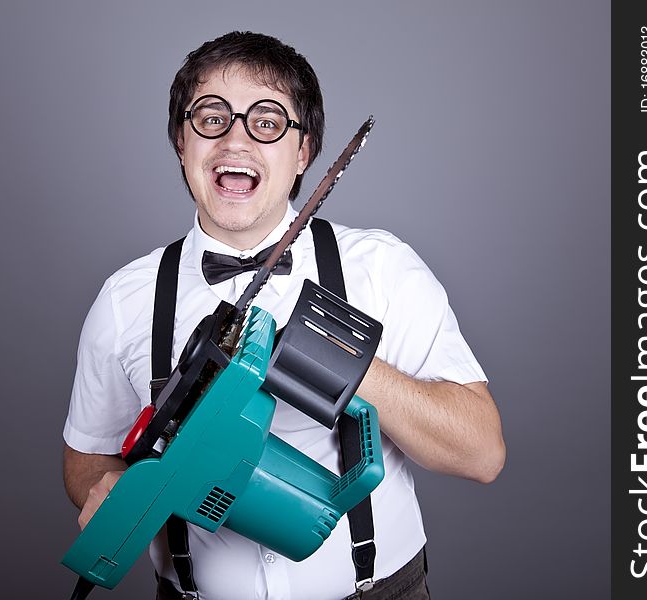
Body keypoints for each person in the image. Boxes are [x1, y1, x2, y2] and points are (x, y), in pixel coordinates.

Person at [62, 31, 505, 600]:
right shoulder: (125, 300)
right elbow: (86, 457)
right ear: (180, 141)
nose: (235, 140)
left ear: (303, 152)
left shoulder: (383, 268)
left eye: (266, 121)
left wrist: (342, 359)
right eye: (211, 118)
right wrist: (108, 488)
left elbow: (482, 452)